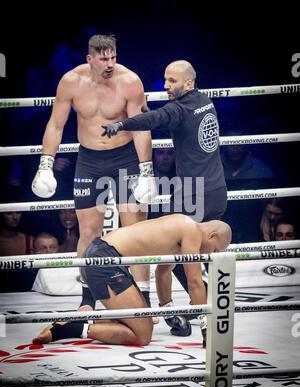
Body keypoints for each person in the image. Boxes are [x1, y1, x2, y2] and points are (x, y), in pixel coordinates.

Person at [31, 34, 157, 307]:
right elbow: (55, 125)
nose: (110, 63)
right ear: (90, 59)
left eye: (113, 57)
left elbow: (140, 126)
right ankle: (87, 299)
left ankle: (143, 299)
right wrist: (46, 164)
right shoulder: (71, 82)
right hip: (89, 159)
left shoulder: (130, 81)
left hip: (125, 158)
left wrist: (147, 170)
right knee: (88, 232)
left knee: (135, 230)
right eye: (104, 59)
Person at [102, 60, 227, 331]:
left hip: (192, 194)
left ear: (189, 83)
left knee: (174, 261)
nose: (166, 85)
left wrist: (122, 124)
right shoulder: (205, 101)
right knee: (200, 255)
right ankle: (192, 312)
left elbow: (155, 118)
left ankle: (197, 317)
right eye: (165, 79)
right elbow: (161, 114)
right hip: (217, 190)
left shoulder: (178, 110)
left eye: (172, 81)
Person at [32, 214, 232, 347]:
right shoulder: (192, 230)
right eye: (215, 250)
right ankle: (71, 328)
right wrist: (208, 326)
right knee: (142, 335)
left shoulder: (182, 228)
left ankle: (76, 321)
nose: (212, 255)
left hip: (106, 258)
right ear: (212, 235)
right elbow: (194, 281)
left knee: (143, 323)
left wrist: (169, 311)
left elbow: (164, 273)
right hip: (104, 260)